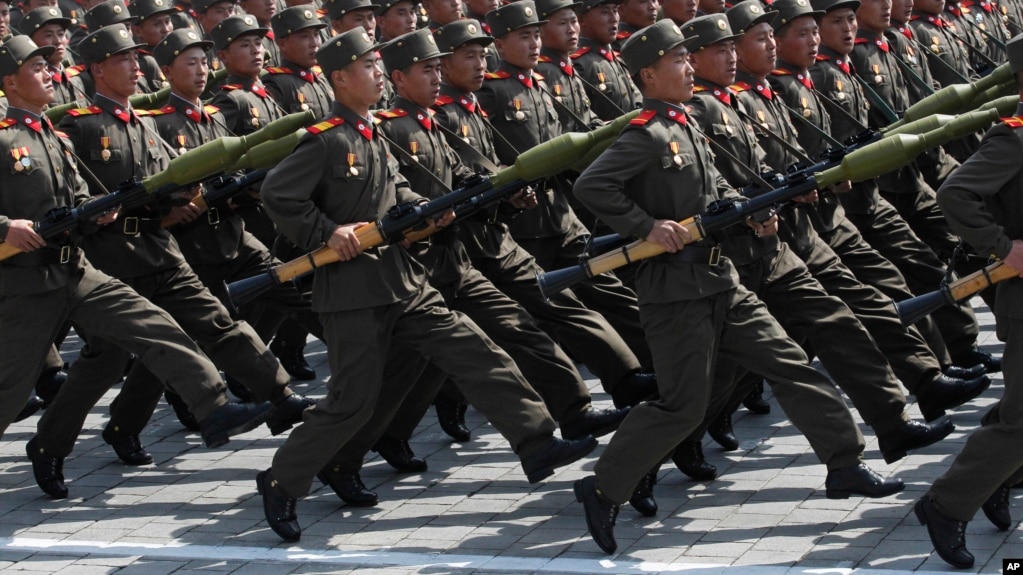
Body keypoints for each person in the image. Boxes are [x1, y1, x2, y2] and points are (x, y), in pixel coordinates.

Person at [253, 27, 599, 542]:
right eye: (368, 67)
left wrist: (423, 214)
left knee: (477, 351)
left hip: (405, 280)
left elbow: (395, 191)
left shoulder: (372, 133)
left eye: (377, 65)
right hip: (352, 293)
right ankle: (282, 478)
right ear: (341, 78)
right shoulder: (326, 139)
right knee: (351, 399)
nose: (376, 75)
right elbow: (276, 195)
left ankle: (536, 441)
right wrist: (329, 232)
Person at [571, 19, 903, 555]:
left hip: (721, 277)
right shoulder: (646, 133)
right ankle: (604, 486)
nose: (687, 67)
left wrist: (751, 215)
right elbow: (592, 185)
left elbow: (712, 185)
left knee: (791, 363)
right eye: (677, 60)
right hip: (676, 291)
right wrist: (644, 225)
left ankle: (845, 462)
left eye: (686, 58)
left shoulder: (686, 123)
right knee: (682, 404)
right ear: (648, 76)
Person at [30, 24, 311, 495]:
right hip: (111, 260)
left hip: (161, 250)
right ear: (97, 68)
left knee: (217, 323)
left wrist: (183, 194)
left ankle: (280, 395)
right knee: (103, 363)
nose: (136, 67)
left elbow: (168, 181)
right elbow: (61, 195)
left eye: (137, 58)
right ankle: (50, 445)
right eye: (124, 59)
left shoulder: (141, 123)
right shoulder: (78, 127)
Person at [916, 33, 1023, 571]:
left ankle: (1000, 477)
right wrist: (1004, 247)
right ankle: (945, 504)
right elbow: (955, 193)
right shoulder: (1015, 139)